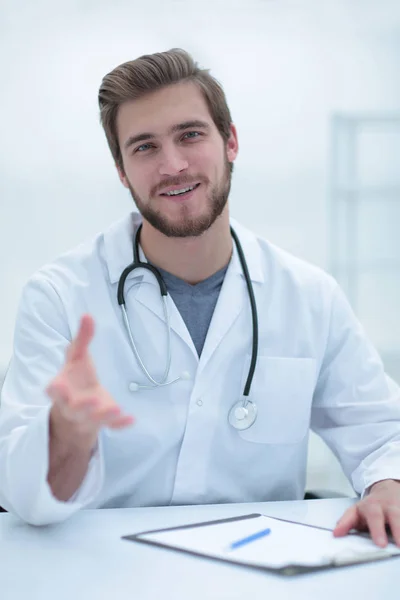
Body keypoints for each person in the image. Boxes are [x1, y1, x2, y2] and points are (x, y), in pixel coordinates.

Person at [0, 49, 399, 544]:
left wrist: (387, 485)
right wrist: (68, 432)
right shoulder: (59, 297)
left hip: (261, 573)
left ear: (230, 141)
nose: (173, 165)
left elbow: (382, 431)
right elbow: (23, 496)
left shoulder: (309, 296)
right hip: (106, 576)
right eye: (144, 147)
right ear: (121, 171)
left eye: (190, 134)